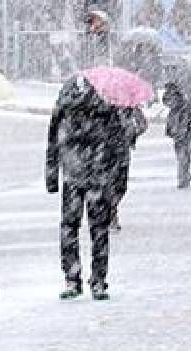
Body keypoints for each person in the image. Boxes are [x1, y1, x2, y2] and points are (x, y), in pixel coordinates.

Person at [46, 77, 133, 300]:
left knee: (69, 228)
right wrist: (119, 180)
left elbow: (53, 145)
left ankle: (72, 278)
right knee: (99, 230)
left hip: (72, 177)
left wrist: (52, 177)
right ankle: (98, 280)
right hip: (98, 176)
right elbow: (119, 147)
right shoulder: (106, 109)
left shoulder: (63, 108)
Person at [110, 104, 149, 232]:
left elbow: (143, 124)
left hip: (121, 151)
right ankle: (111, 213)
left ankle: (111, 208)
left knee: (120, 185)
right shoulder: (101, 104)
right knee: (112, 184)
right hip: (107, 151)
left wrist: (133, 134)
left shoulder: (131, 106)